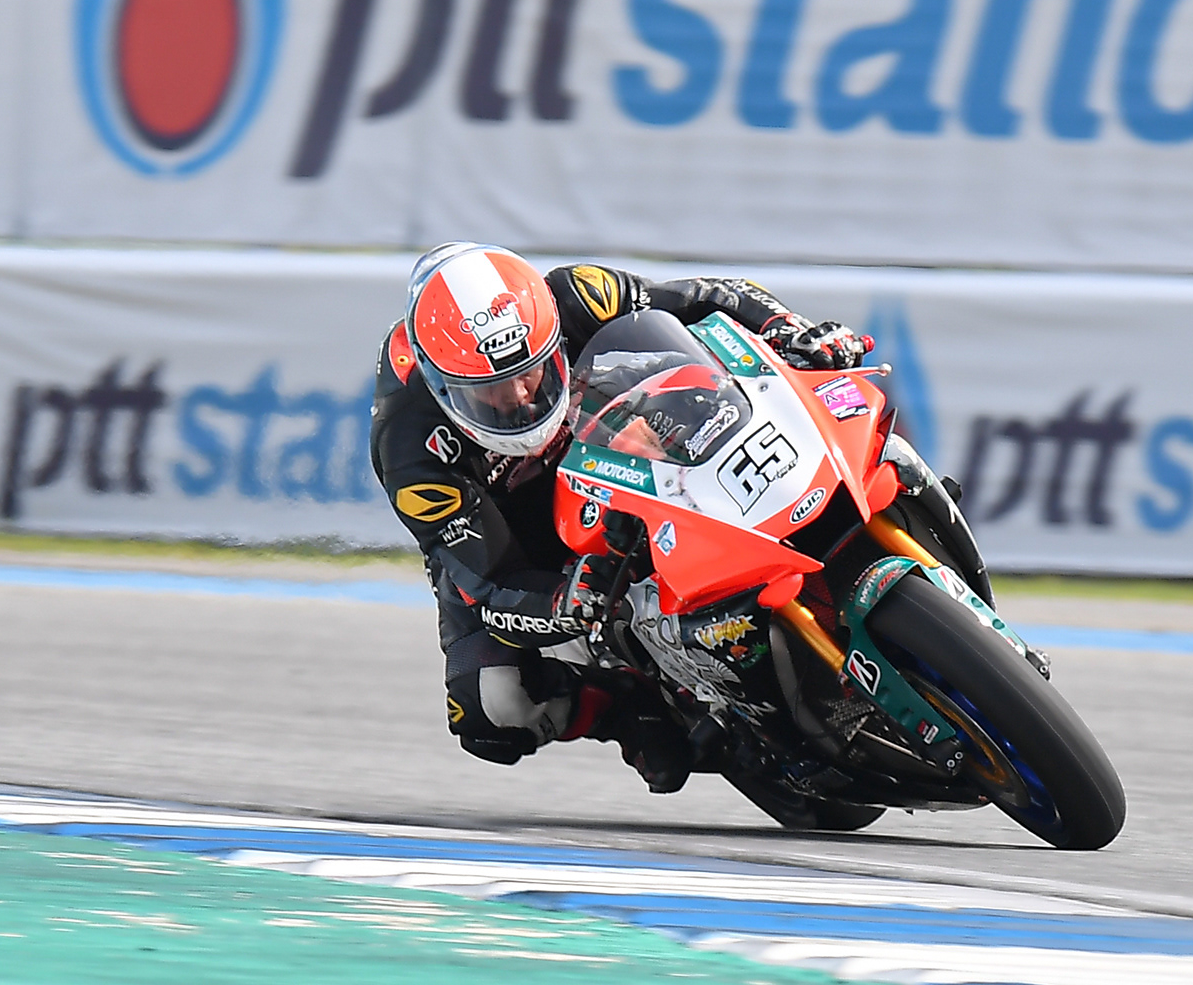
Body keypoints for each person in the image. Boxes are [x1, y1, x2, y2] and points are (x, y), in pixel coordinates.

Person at [368, 242, 867, 792]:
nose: (518, 394)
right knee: (491, 708)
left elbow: (706, 298)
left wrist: (790, 329)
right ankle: (624, 704)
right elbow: (487, 582)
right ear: (443, 387)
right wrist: (565, 601)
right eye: (490, 390)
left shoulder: (574, 294)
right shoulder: (411, 449)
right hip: (507, 530)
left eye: (531, 371)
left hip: (599, 431)